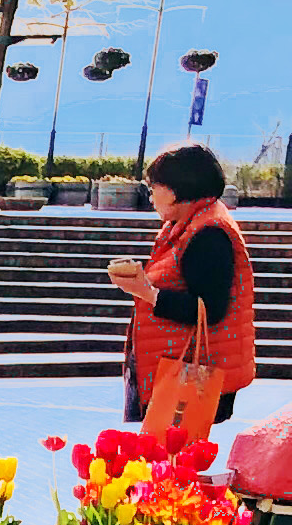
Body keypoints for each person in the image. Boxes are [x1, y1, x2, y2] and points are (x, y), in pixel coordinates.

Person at [108, 141, 257, 438]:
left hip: (187, 374)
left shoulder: (209, 233)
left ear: (176, 189)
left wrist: (147, 292)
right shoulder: (187, 223)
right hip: (169, 365)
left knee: (172, 468)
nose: (150, 196)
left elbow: (209, 309)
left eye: (155, 187)